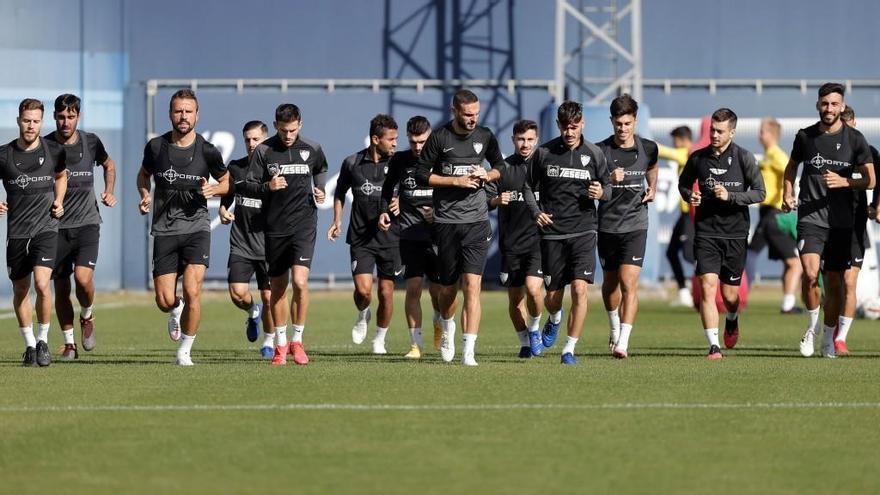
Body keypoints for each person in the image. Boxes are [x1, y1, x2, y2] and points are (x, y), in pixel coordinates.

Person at [137, 89, 229, 366]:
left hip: (196, 227)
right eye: (178, 111)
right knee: (164, 300)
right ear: (170, 114)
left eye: (188, 111)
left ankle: (185, 350)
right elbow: (143, 175)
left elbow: (226, 182)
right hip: (165, 229)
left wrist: (215, 190)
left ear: (197, 115)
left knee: (192, 290)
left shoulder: (207, 150)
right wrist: (144, 194)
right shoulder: (156, 147)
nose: (183, 116)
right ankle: (175, 309)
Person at [783, 83, 874, 358]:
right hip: (810, 217)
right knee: (811, 274)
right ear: (818, 105)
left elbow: (870, 179)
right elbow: (791, 168)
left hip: (842, 222)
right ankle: (811, 329)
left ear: (842, 106)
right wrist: (787, 193)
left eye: (835, 104)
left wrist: (846, 181)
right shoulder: (805, 137)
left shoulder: (855, 139)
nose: (829, 109)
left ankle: (828, 338)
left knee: (834, 284)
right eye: (825, 104)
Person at [414, 89, 505, 366]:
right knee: (448, 289)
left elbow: (501, 165)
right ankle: (447, 326)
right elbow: (421, 174)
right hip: (447, 223)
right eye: (467, 114)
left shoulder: (485, 136)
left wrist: (487, 174)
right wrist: (455, 182)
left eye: (476, 114)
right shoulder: (440, 138)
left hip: (477, 222)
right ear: (455, 111)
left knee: (473, 286)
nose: (472, 119)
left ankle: (469, 351)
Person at [525, 100, 611, 365]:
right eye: (565, 127)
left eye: (574, 127)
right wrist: (536, 212)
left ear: (582, 124)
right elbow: (527, 187)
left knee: (580, 290)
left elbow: (607, 188)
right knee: (552, 297)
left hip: (584, 231)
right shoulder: (544, 153)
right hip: (552, 233)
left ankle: (568, 349)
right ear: (559, 125)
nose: (570, 132)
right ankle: (554, 317)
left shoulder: (594, 154)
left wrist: (602, 193)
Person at [678, 108, 765, 360]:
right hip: (705, 233)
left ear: (732, 132)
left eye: (719, 131)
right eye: (712, 130)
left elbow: (760, 192)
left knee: (729, 295)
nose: (714, 135)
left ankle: (732, 317)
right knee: (707, 287)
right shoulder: (697, 158)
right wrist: (689, 195)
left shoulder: (744, 158)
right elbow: (683, 184)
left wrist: (732, 196)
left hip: (735, 235)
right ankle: (714, 346)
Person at [247, 103, 327, 366]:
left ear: (300, 124)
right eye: (283, 130)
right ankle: (281, 345)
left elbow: (321, 169)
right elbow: (250, 185)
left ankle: (298, 341)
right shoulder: (264, 151)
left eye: (292, 130)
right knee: (278, 288)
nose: (288, 135)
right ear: (276, 126)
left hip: (304, 225)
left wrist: (320, 189)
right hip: (275, 228)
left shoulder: (312, 149)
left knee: (301, 283)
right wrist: (268, 186)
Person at [45, 94, 117, 360]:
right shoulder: (46, 145)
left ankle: (87, 315)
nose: (66, 122)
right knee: (61, 288)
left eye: (71, 116)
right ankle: (69, 344)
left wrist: (109, 190)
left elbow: (109, 165)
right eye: (62, 117)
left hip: (87, 223)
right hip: (54, 227)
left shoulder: (91, 142)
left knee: (83, 281)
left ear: (78, 116)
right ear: (54, 117)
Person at [0, 98, 67, 367]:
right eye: (26, 120)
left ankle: (42, 341)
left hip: (46, 228)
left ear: (42, 122)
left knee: (42, 284)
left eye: (36, 121)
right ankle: (29, 345)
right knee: (20, 289)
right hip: (17, 232)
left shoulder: (54, 150)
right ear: (18, 121)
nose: (31, 125)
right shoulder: (4, 154)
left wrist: (59, 200)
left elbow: (62, 176)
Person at [329, 114, 401, 355]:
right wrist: (337, 220)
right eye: (391, 139)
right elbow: (339, 193)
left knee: (386, 292)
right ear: (375, 139)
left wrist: (400, 202)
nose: (395, 144)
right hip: (361, 237)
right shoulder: (352, 163)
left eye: (396, 139)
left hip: (391, 238)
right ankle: (363, 314)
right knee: (363, 291)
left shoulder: (399, 164)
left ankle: (379, 339)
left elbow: (410, 191)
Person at [597, 94, 658, 359]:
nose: (623, 129)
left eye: (627, 123)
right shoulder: (599, 152)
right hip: (608, 226)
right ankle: (613, 327)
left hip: (636, 224)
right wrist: (608, 179)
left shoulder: (648, 148)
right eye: (618, 123)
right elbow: (593, 188)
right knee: (610, 285)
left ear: (635, 121)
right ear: (611, 122)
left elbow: (653, 166)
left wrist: (652, 187)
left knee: (628, 283)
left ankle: (623, 341)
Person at [378, 116, 442, 359]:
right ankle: (416, 345)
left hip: (438, 235)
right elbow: (387, 188)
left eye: (422, 142)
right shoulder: (400, 160)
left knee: (440, 291)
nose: (417, 147)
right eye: (413, 142)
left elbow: (454, 192)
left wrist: (438, 212)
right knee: (413, 287)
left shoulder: (442, 159)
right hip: (409, 233)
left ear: (430, 137)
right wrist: (384, 210)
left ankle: (440, 320)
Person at [486, 119, 544, 359]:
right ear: (513, 140)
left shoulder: (544, 167)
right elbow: (487, 200)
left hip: (538, 242)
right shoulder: (504, 168)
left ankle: (534, 330)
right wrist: (497, 201)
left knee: (533, 289)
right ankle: (524, 343)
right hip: (510, 246)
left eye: (530, 139)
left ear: (537, 140)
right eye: (521, 139)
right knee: (515, 299)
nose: (525, 144)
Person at [218, 120, 275, 359]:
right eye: (248, 140)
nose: (251, 144)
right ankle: (253, 312)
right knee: (237, 292)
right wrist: (222, 209)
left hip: (270, 244)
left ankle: (270, 341)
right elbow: (227, 196)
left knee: (270, 297)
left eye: (256, 139)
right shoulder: (236, 167)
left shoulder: (275, 171)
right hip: (242, 242)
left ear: (265, 140)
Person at [834, 106, 878, 355]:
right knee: (834, 283)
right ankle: (826, 330)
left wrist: (876, 206)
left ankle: (841, 338)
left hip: (856, 224)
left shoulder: (869, 152)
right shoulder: (829, 150)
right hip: (829, 225)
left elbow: (877, 181)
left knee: (850, 282)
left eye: (849, 126)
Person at [746, 117, 802, 314]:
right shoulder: (769, 155)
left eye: (762, 131)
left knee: (792, 263)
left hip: (776, 215)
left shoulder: (776, 155)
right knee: (791, 263)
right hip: (769, 215)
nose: (759, 134)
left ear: (770, 134)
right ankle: (740, 295)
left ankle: (741, 295)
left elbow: (790, 170)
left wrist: (789, 194)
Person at [659, 126, 695, 307]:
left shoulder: (686, 152)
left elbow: (664, 152)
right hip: (684, 214)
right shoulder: (688, 153)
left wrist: (643, 143)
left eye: (674, 139)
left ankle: (708, 284)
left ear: (681, 139)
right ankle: (683, 292)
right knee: (671, 252)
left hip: (691, 214)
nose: (673, 143)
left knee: (690, 254)